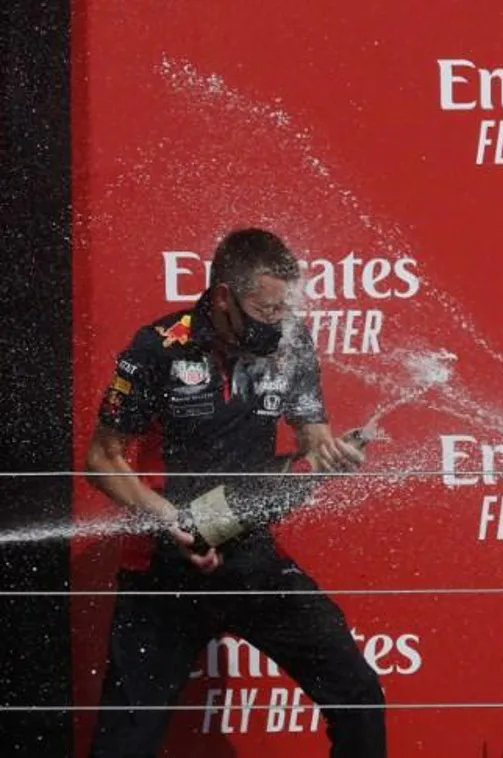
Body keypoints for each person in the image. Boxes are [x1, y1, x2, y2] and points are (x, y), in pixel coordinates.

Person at [84, 228, 388, 757]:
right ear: (224, 295)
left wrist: (332, 458)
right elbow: (101, 460)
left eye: (282, 308)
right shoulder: (158, 347)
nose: (276, 322)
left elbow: (311, 441)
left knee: (357, 693)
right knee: (126, 740)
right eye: (264, 310)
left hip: (251, 559)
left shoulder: (292, 343)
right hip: (164, 571)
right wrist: (165, 516)